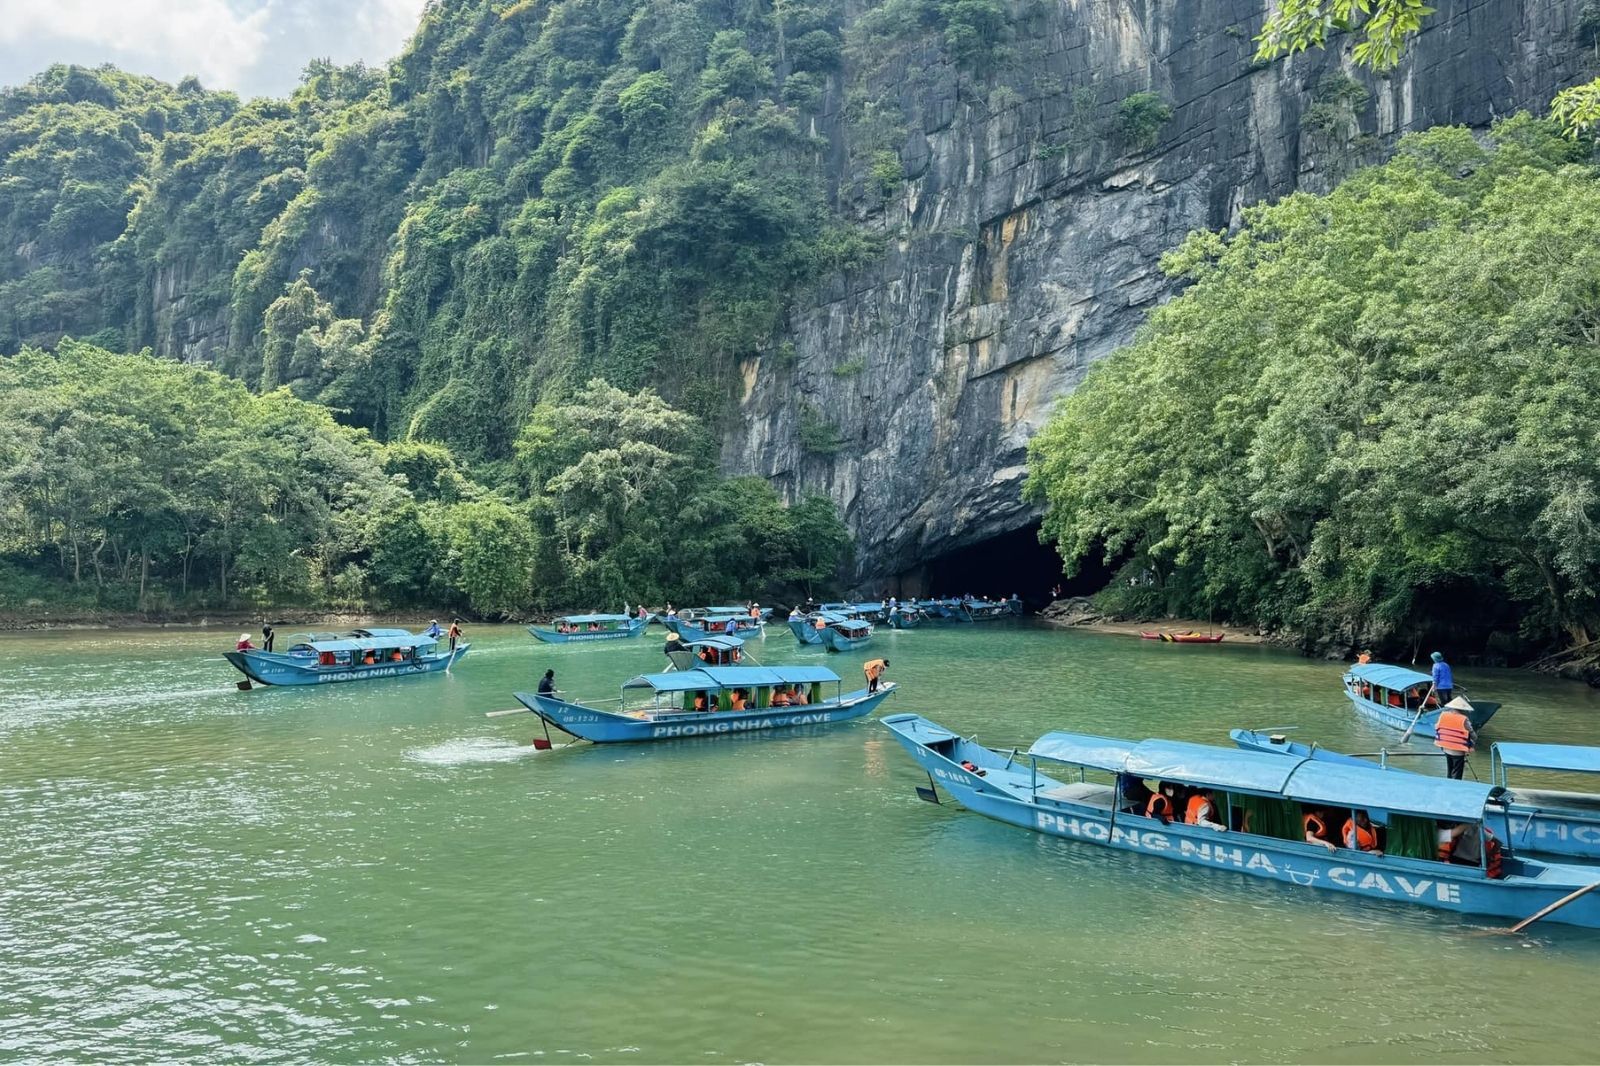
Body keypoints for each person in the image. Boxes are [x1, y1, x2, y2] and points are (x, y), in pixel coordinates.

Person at [1433, 702, 1477, 780]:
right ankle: (1455, 788)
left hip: (1445, 747)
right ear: (1462, 710)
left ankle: (1448, 783)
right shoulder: (1463, 719)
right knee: (1457, 773)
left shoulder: (1443, 715)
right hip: (1458, 750)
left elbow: (1437, 727)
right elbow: (1473, 735)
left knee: (1450, 770)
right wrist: (1472, 743)